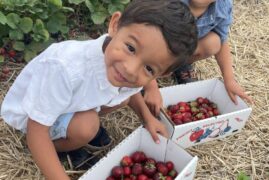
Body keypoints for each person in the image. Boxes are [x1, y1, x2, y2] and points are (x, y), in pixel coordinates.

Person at [0, 0, 197, 179]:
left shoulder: (123, 72)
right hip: (34, 118)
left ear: (159, 75)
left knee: (123, 98)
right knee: (87, 127)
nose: (130, 69)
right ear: (115, 25)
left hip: (70, 102)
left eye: (148, 68)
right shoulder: (66, 68)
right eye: (130, 48)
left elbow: (131, 93)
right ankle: (57, 147)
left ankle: (70, 131)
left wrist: (148, 119)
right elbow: (37, 130)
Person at [143, 0, 253, 117]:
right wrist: (151, 88)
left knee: (214, 43)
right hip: (152, 49)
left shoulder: (222, 6)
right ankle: (146, 72)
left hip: (179, 49)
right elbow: (146, 41)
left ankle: (179, 66)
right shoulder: (168, 4)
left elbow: (222, 40)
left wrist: (229, 79)